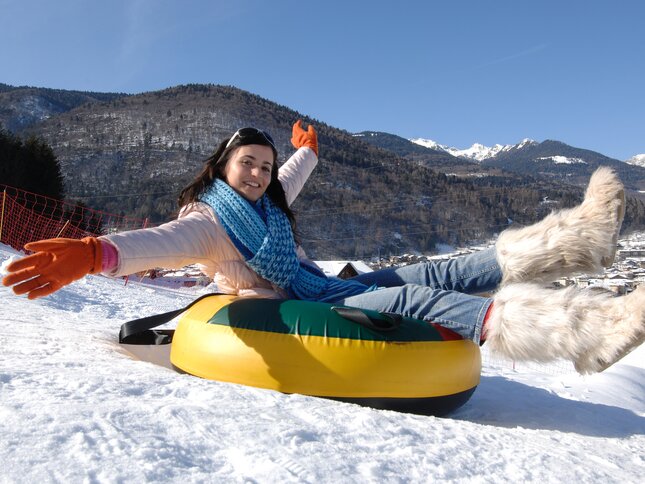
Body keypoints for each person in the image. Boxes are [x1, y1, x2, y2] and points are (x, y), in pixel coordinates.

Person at [2, 121, 643, 374]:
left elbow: (288, 179)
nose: (258, 173)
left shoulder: (263, 202)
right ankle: (585, 335)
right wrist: (95, 253)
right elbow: (159, 244)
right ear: (221, 165)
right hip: (290, 307)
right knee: (419, 296)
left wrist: (304, 151)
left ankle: (578, 241)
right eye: (247, 163)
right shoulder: (211, 221)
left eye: (264, 164)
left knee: (438, 267)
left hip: (322, 283)